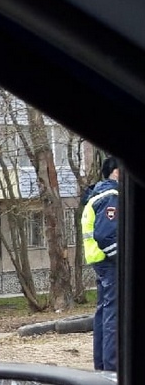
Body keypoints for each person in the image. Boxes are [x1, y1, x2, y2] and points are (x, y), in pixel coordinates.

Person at [81, 156, 121, 370]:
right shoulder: (112, 195)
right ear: (117, 171)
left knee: (104, 314)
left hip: (100, 263)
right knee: (112, 316)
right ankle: (111, 369)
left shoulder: (97, 194)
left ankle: (102, 365)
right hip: (110, 263)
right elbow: (107, 235)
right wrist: (121, 260)